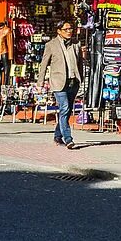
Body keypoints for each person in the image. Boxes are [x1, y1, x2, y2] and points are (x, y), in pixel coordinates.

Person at [37, 20, 83, 149]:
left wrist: (81, 79)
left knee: (66, 111)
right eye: (66, 29)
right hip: (58, 82)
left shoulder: (76, 44)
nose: (69, 31)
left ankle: (57, 136)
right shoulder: (51, 45)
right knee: (64, 108)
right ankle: (68, 139)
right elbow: (44, 65)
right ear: (59, 31)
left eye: (70, 29)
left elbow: (79, 62)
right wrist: (40, 82)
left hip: (73, 82)